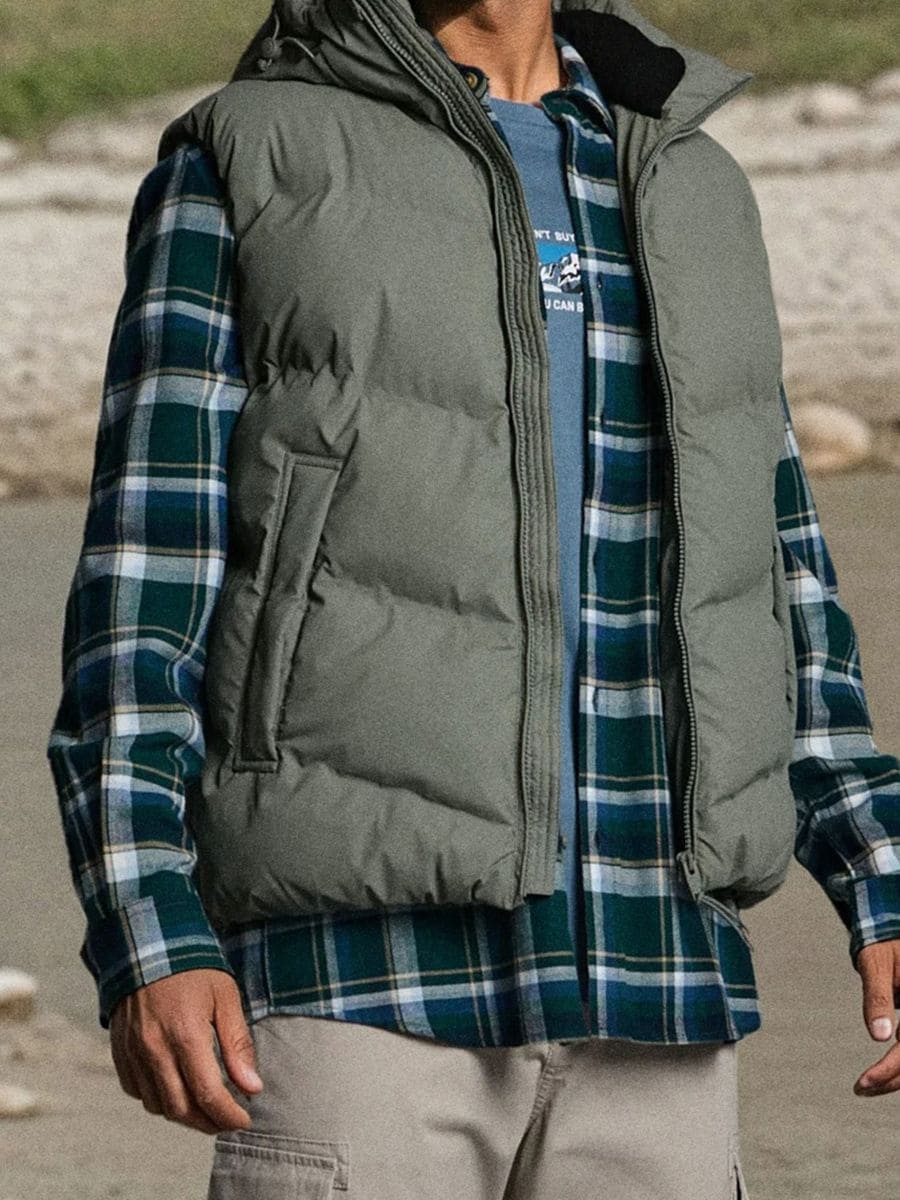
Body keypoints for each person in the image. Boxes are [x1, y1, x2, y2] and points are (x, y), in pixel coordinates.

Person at [45, 1, 900, 1197]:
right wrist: (147, 927)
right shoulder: (251, 153)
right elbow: (148, 570)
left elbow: (775, 568)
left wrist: (878, 867)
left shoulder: (690, 176)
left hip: (658, 972)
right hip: (358, 978)